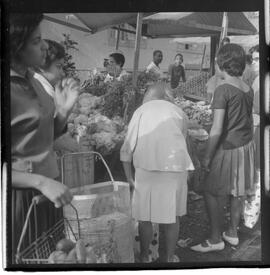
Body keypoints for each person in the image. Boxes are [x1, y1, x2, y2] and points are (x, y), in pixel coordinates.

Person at [10, 14, 79, 261]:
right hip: (21, 198)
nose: (45, 46)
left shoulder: (34, 81)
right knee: (27, 258)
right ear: (15, 46)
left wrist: (62, 112)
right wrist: (41, 182)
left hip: (50, 190)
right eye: (36, 40)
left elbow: (43, 138)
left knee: (55, 256)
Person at [191, 44, 255, 252]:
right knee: (237, 191)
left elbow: (217, 129)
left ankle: (215, 238)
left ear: (222, 63)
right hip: (245, 146)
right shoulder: (247, 87)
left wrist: (207, 157)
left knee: (211, 190)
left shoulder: (223, 89)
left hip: (228, 146)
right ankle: (233, 232)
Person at [120, 83, 194, 262]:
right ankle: (169, 257)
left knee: (145, 217)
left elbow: (127, 147)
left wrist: (129, 177)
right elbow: (184, 141)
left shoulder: (141, 111)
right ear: (166, 96)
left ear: (149, 95)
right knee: (172, 216)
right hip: (175, 169)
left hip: (146, 169)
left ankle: (145, 256)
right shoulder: (179, 112)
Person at [205, 37, 231, 103]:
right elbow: (216, 62)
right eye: (224, 45)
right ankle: (209, 102)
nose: (226, 47)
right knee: (211, 85)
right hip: (219, 73)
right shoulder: (219, 53)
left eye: (227, 45)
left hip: (226, 73)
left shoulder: (230, 54)